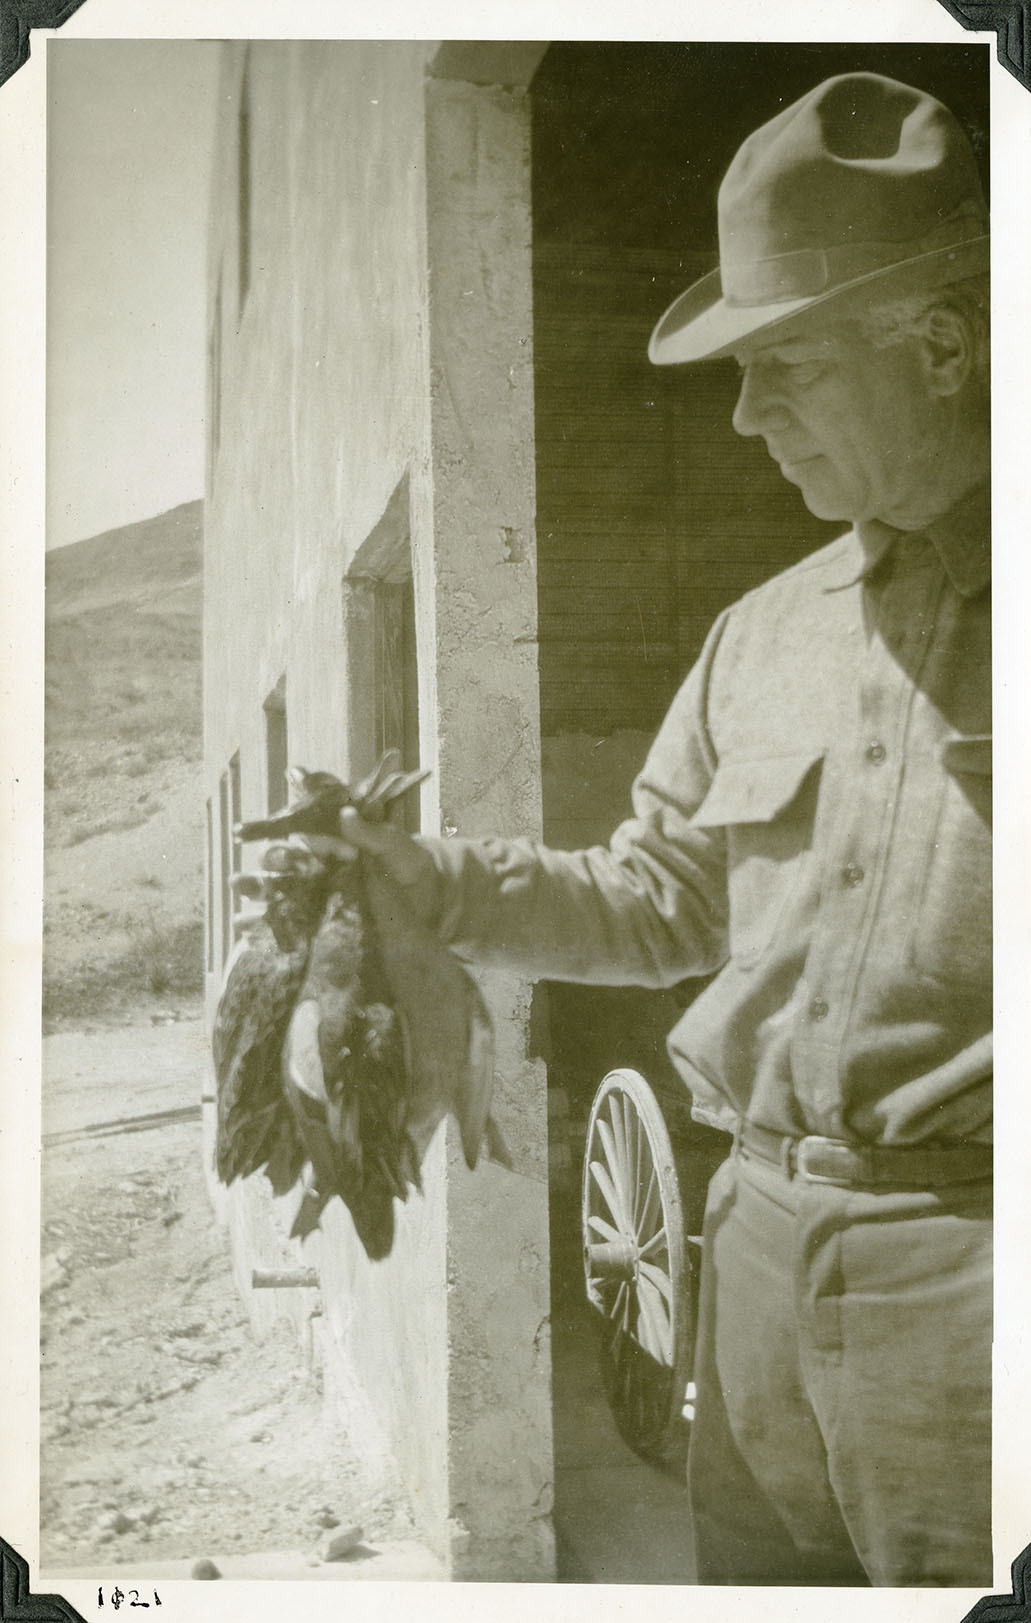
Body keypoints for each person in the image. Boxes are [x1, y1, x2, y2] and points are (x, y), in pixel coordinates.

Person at [341, 72, 992, 1586]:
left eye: (790, 366)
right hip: (750, 1247)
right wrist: (430, 884)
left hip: (980, 1273)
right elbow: (653, 901)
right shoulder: (759, 636)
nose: (749, 414)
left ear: (947, 346)